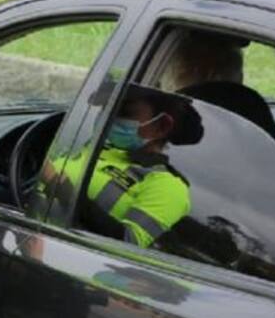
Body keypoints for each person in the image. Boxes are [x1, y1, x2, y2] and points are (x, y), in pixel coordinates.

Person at [79, 86, 201, 248]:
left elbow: (129, 242)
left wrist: (60, 186)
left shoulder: (167, 185)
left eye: (125, 113)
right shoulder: (95, 148)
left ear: (162, 126)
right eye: (107, 108)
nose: (108, 117)